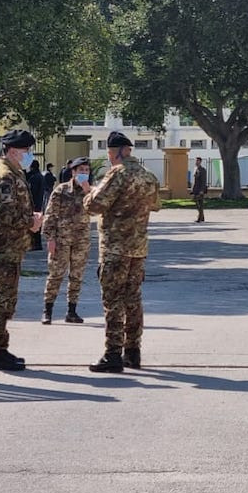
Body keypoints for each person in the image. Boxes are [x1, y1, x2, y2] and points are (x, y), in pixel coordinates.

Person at [85, 131, 160, 372]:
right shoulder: (148, 176)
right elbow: (156, 204)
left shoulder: (116, 174)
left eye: (109, 153)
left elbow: (94, 206)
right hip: (138, 248)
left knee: (113, 301)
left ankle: (113, 354)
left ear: (118, 151)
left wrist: (90, 192)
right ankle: (133, 351)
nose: (109, 158)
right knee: (134, 299)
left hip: (115, 248)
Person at [0, 129, 42, 370]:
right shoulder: (5, 176)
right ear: (14, 150)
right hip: (4, 245)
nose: (29, 155)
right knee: (2, 299)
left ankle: (0, 349)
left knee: (7, 299)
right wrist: (32, 222)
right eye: (27, 151)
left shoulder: (13, 172)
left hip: (11, 245)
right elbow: (6, 213)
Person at [42, 156, 92, 325]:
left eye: (86, 170)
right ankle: (47, 310)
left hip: (81, 240)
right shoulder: (61, 190)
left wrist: (88, 192)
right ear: (73, 172)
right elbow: (50, 215)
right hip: (61, 239)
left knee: (76, 276)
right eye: (81, 170)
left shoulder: (92, 193)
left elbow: (99, 211)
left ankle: (72, 311)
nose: (84, 173)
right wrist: (50, 238)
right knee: (55, 274)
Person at [191, 156, 208, 222]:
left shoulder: (202, 170)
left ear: (200, 162)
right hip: (196, 189)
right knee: (197, 203)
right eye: (196, 161)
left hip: (200, 189)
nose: (196, 162)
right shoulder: (196, 169)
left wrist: (202, 190)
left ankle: (200, 217)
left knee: (200, 204)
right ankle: (202, 216)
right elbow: (195, 180)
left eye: (198, 161)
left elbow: (203, 181)